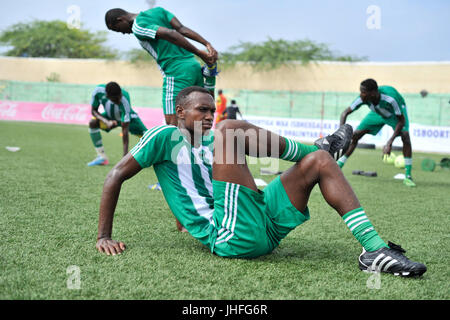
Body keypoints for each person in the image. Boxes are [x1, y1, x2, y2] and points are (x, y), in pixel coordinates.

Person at [95, 86, 426, 278]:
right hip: (232, 236)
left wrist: (183, 217)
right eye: (201, 110)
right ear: (180, 112)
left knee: (321, 164)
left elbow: (199, 187)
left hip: (258, 220)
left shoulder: (210, 143)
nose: (209, 116)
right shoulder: (164, 136)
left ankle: (374, 251)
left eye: (212, 109)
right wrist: (104, 235)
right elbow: (115, 176)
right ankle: (316, 144)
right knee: (230, 128)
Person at [104, 7, 219, 127]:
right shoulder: (158, 11)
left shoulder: (138, 27)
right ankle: (198, 144)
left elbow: (171, 34)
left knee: (171, 126)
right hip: (193, 66)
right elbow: (181, 29)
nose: (122, 33)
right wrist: (207, 44)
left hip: (176, 72)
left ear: (120, 20)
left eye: (117, 29)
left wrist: (200, 53)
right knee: (199, 118)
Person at [338, 79, 416, 187]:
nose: (361, 94)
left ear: (373, 93)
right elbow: (344, 113)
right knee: (355, 136)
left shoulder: (391, 99)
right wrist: (341, 134)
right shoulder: (362, 98)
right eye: (361, 91)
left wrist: (389, 142)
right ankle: (338, 166)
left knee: (405, 136)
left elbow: (401, 121)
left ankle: (408, 176)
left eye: (363, 92)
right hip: (377, 113)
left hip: (395, 115)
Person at [87, 82, 147, 166]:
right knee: (92, 123)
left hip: (129, 119)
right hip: (109, 118)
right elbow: (93, 111)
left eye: (120, 96)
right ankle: (101, 156)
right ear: (108, 97)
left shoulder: (124, 98)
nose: (119, 100)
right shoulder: (98, 91)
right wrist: (107, 122)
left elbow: (125, 131)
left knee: (148, 137)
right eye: (116, 99)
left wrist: (124, 157)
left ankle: (159, 159)